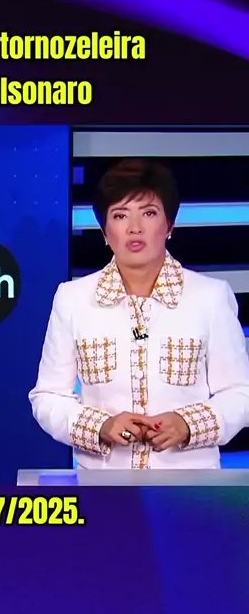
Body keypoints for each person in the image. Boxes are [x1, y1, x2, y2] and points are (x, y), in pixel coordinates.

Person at [29, 158, 249, 470]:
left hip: (190, 485)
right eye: (120, 215)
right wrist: (101, 426)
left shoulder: (210, 297)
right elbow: (48, 397)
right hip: (104, 483)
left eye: (148, 213)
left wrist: (188, 424)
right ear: (105, 231)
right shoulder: (73, 299)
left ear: (169, 225)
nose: (135, 227)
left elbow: (240, 394)